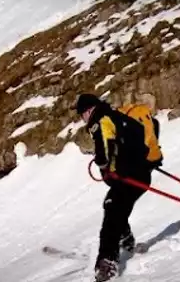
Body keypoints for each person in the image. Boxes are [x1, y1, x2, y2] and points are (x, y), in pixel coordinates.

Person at [75, 93, 162, 282]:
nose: (83, 119)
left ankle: (108, 261)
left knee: (113, 208)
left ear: (89, 111)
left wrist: (102, 163)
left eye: (82, 114)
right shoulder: (116, 116)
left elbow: (104, 149)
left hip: (130, 177)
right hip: (139, 174)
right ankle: (126, 240)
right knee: (113, 206)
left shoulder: (101, 119)